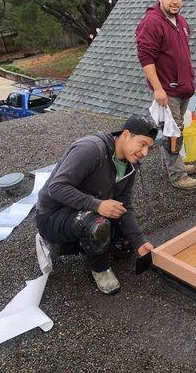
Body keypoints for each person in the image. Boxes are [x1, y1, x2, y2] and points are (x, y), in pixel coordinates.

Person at [35, 116, 158, 295]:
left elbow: (124, 205)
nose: (144, 152)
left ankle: (82, 243)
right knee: (97, 225)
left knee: (125, 246)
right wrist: (97, 205)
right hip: (53, 215)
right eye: (142, 144)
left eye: (149, 147)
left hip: (86, 207)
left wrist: (139, 241)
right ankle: (100, 269)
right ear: (126, 134)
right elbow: (56, 187)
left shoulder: (130, 164)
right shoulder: (91, 149)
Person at [135, 0, 196, 190]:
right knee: (173, 132)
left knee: (177, 128)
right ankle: (177, 175)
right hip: (167, 90)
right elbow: (146, 58)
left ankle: (175, 164)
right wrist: (158, 89)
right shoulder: (151, 22)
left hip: (183, 88)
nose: (175, 1)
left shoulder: (181, 21)